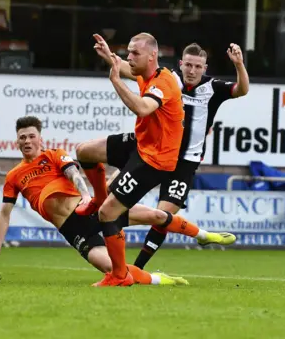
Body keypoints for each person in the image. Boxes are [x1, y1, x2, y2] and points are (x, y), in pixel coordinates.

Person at [0, 116, 236, 286]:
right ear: (17, 141)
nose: (27, 141)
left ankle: (203, 235)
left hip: (91, 209)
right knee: (115, 270)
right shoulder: (14, 176)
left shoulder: (53, 155)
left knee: (156, 216)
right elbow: (4, 213)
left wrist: (88, 195)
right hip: (73, 229)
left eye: (31, 136)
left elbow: (73, 172)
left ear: (39, 137)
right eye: (22, 137)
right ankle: (160, 280)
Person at [76, 35, 247, 276]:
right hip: (149, 147)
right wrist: (110, 58)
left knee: (159, 215)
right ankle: (110, 227)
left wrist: (239, 64)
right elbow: (130, 68)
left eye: (197, 66)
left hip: (181, 161)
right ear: (180, 64)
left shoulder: (211, 87)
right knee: (91, 166)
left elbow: (241, 90)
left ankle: (138, 268)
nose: (192, 70)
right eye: (188, 64)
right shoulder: (169, 79)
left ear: (204, 69)